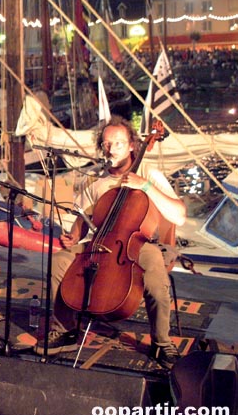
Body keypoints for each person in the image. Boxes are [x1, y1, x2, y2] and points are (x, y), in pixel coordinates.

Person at [35, 115, 186, 369]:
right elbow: (82, 220)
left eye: (118, 143)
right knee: (59, 261)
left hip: (139, 243)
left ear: (131, 146)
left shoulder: (150, 173)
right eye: (106, 144)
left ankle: (162, 342)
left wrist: (145, 186)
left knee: (155, 267)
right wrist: (73, 235)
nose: (111, 149)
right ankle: (66, 329)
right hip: (102, 242)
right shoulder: (97, 183)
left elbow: (179, 215)